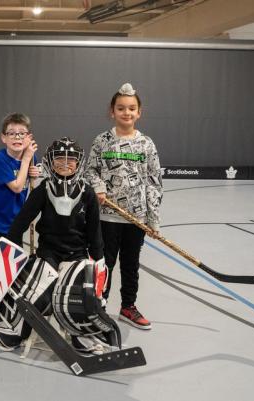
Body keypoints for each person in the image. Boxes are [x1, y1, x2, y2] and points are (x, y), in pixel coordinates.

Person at [0, 138, 112, 353]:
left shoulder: (88, 192)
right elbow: (20, 222)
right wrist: (11, 251)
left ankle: (80, 334)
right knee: (36, 291)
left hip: (77, 253)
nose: (65, 163)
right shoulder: (44, 189)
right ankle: (16, 329)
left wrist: (99, 260)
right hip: (48, 252)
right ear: (50, 162)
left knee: (78, 291)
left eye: (70, 159)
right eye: (59, 159)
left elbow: (94, 231)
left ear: (79, 162)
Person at [86, 83, 163, 330]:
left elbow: (154, 182)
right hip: (107, 218)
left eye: (131, 108)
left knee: (131, 265)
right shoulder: (102, 141)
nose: (126, 113)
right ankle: (99, 307)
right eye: (121, 108)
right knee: (104, 264)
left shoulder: (146, 144)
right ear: (112, 111)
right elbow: (90, 170)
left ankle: (128, 307)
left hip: (136, 220)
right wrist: (97, 186)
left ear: (139, 112)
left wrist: (153, 220)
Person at [0, 113, 40, 254]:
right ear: (3, 138)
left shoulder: (31, 158)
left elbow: (29, 178)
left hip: (15, 224)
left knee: (11, 268)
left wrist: (34, 173)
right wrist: (26, 159)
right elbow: (17, 187)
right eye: (11, 134)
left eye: (22, 134)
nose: (17, 137)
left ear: (29, 137)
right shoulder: (0, 158)